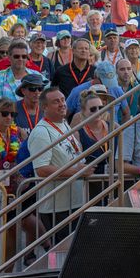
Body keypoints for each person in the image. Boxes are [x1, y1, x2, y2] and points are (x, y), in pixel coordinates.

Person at [27, 87, 84, 237]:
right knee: (61, 254)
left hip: (74, 202)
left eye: (63, 100)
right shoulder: (41, 132)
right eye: (56, 102)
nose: (62, 104)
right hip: (57, 208)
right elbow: (42, 169)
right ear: (44, 107)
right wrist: (77, 172)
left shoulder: (64, 123)